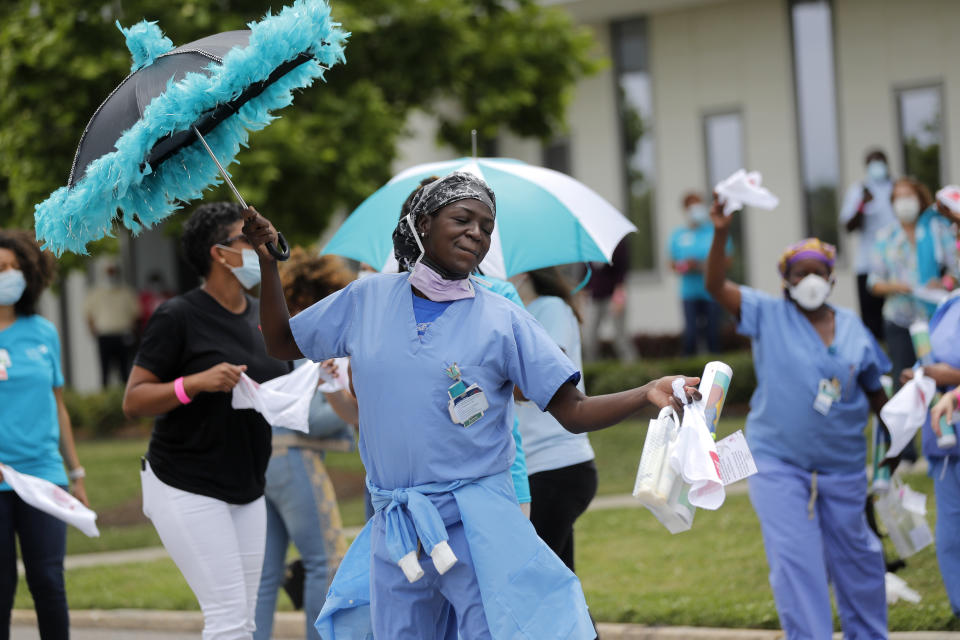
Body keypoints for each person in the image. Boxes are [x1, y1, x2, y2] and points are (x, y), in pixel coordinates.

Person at [244, 171, 698, 640]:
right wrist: (268, 263)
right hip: (398, 526)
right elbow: (280, 341)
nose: (476, 233)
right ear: (422, 223)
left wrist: (645, 393)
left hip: (477, 522)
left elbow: (573, 408)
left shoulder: (504, 318)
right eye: (463, 218)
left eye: (486, 226)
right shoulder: (366, 299)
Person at [705, 195, 891, 638]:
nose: (810, 279)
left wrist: (894, 453)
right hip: (778, 466)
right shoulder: (767, 314)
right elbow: (715, 286)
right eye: (799, 273)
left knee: (859, 565)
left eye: (818, 272)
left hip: (844, 471)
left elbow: (878, 397)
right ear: (785, 280)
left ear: (831, 277)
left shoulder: (853, 329)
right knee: (797, 566)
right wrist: (720, 230)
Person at [122, 202, 290, 640]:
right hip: (186, 483)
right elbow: (134, 400)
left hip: (248, 485)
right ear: (220, 252)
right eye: (247, 238)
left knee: (245, 620)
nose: (258, 245)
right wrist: (194, 383)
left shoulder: (258, 314)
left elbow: (282, 378)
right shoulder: (177, 315)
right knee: (229, 621)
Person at [254, 249, 357, 640]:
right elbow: (309, 419)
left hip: (266, 462)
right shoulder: (309, 343)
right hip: (296, 461)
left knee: (266, 574)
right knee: (324, 561)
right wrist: (353, 415)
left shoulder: (278, 334)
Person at [0, 229, 88, 640]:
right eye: (1, 269)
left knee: (49, 582)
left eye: (16, 269)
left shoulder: (43, 332)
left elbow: (58, 405)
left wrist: (77, 473)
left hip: (43, 475)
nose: (9, 276)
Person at [510, 266, 596, 571]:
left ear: (524, 272)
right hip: (538, 468)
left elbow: (545, 372)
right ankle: (581, 622)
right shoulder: (515, 313)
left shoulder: (550, 308)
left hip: (556, 466)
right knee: (558, 580)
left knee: (535, 578)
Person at [869, 178, 958, 381]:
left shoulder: (936, 229)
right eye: (898, 198)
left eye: (908, 196)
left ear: (919, 199)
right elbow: (873, 283)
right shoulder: (885, 236)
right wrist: (897, 286)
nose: (904, 202)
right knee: (905, 377)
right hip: (898, 320)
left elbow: (955, 271)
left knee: (935, 376)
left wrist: (944, 283)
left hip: (933, 318)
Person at [916, 286, 960, 618]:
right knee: (951, 541)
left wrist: (953, 380)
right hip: (945, 443)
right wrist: (921, 378)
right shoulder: (948, 307)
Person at [840, 149, 897, 341]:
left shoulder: (897, 188)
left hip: (896, 265)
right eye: (872, 162)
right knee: (872, 321)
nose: (876, 166)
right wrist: (862, 205)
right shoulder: (859, 190)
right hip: (868, 263)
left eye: (879, 161)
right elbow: (848, 226)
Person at [668, 191, 732, 355]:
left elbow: (727, 261)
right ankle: (689, 376)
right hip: (689, 293)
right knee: (690, 336)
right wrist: (685, 266)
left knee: (713, 336)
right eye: (691, 207)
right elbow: (672, 265)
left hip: (712, 293)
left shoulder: (714, 231)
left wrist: (702, 265)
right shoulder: (678, 235)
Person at [83, 261, 139, 386]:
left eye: (113, 271)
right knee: (105, 371)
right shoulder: (96, 292)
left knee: (124, 370)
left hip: (123, 335)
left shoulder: (126, 292)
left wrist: (132, 332)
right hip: (104, 335)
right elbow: (88, 314)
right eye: (109, 272)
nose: (111, 275)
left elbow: (135, 314)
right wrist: (93, 330)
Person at [584, 238, 634, 362]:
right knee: (589, 337)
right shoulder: (589, 243)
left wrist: (619, 298)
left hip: (613, 296)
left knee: (620, 337)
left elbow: (622, 271)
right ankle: (591, 370)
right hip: (594, 297)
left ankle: (632, 368)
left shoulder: (617, 243)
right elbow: (585, 270)